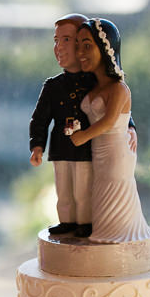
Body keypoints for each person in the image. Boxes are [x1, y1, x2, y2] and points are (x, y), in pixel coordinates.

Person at [66, 18, 150, 244]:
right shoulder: (91, 86)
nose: (80, 52)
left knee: (115, 187)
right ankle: (103, 234)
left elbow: (109, 121)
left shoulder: (119, 88)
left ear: (106, 49)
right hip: (99, 152)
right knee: (101, 189)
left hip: (116, 152)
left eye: (87, 45)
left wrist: (82, 136)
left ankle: (119, 236)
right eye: (78, 46)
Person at [28, 13, 97, 236]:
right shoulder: (52, 86)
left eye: (65, 39)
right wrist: (37, 146)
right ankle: (67, 222)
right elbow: (40, 119)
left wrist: (130, 128)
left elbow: (117, 109)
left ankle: (85, 223)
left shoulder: (97, 82)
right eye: (56, 40)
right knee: (64, 191)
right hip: (60, 148)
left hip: (86, 148)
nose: (59, 47)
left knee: (83, 190)